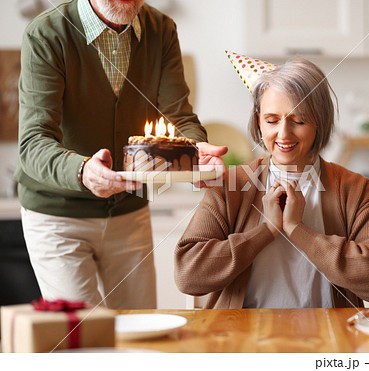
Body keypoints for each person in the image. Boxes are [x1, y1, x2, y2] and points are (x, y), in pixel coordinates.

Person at [15, 0, 226, 309]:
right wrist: (83, 170)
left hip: (129, 212)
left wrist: (195, 150)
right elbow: (33, 142)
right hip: (58, 217)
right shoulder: (47, 33)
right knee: (87, 340)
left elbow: (179, 118)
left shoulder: (161, 30)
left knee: (139, 333)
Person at [175, 56, 369, 309]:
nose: (283, 133)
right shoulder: (232, 184)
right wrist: (266, 231)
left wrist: (296, 228)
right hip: (244, 339)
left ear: (320, 122)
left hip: (330, 338)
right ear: (258, 120)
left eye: (299, 120)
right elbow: (187, 275)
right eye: (271, 120)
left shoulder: (355, 189)